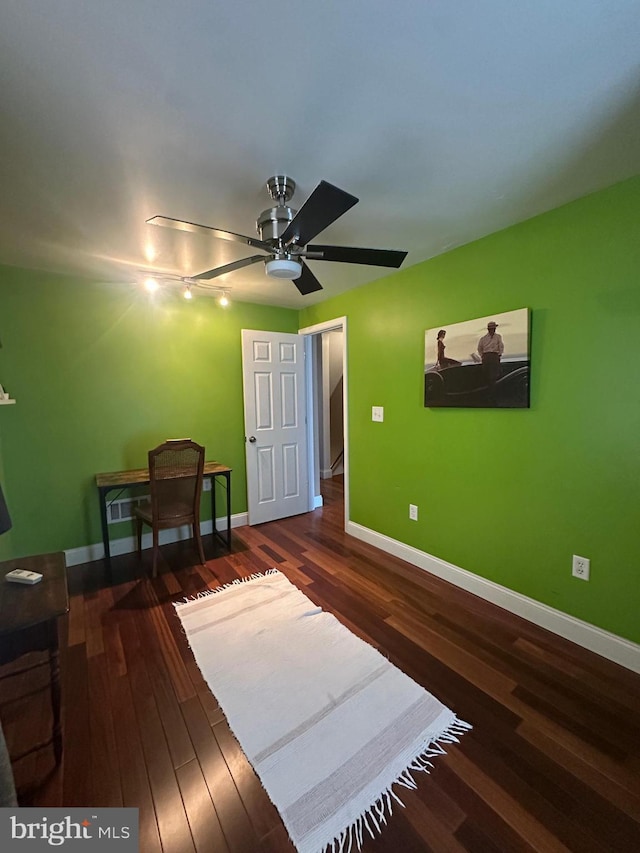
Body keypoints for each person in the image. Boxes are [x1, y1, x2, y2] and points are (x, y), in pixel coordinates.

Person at [477, 321, 504, 403]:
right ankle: (490, 396)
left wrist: (498, 355)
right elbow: (479, 348)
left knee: (493, 377)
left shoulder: (498, 337)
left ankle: (491, 396)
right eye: (492, 328)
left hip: (493, 356)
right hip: (488, 357)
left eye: (494, 328)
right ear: (489, 329)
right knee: (487, 376)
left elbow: (501, 347)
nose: (493, 330)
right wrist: (483, 356)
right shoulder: (483, 338)